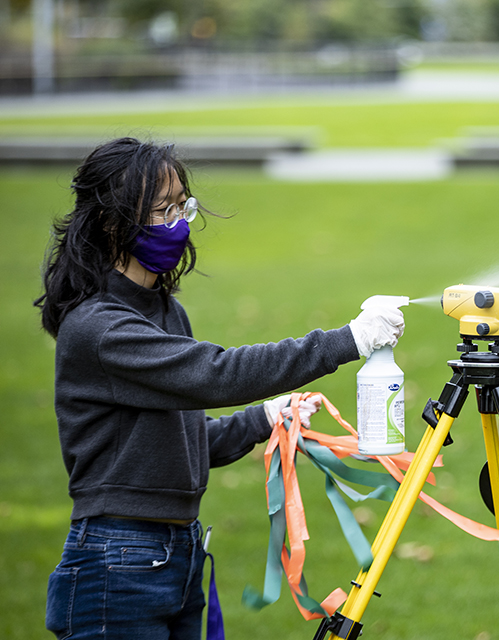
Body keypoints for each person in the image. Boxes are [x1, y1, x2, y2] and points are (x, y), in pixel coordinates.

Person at [34, 137, 404, 639]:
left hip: (177, 553)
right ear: (111, 222)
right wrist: (349, 340)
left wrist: (264, 418)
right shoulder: (99, 329)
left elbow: (181, 448)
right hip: (117, 563)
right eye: (161, 211)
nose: (179, 223)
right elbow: (216, 375)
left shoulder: (163, 310)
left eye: (181, 205)